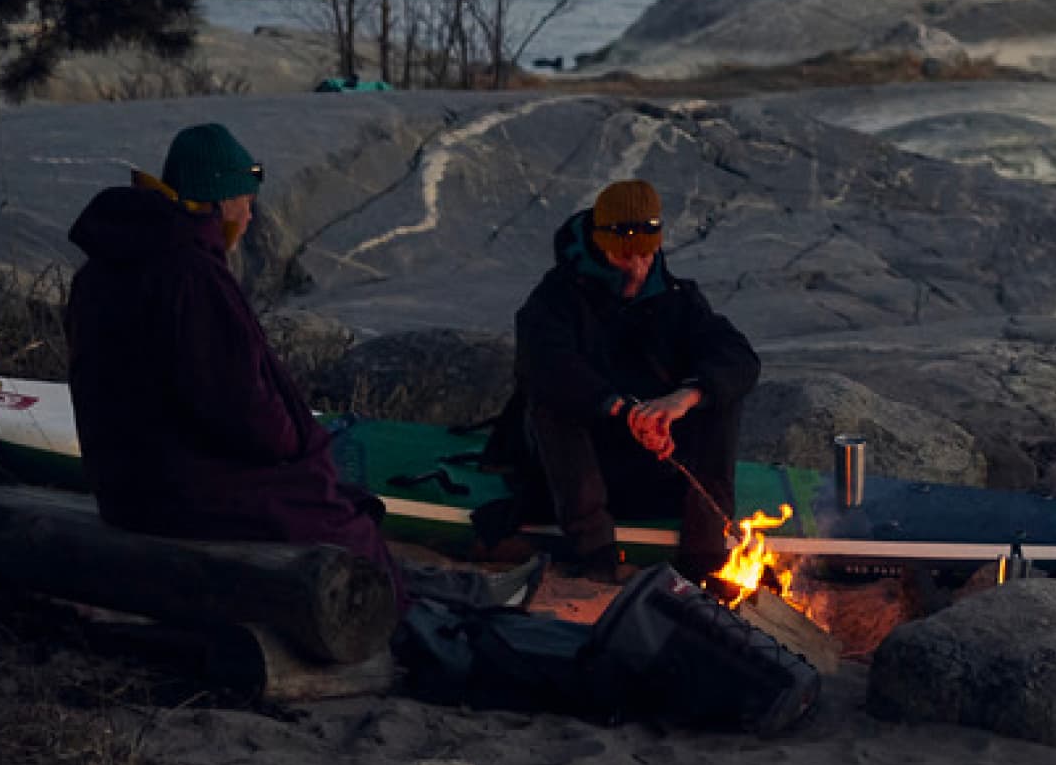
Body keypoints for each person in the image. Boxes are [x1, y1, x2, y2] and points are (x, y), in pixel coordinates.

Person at [61, 123, 403, 593]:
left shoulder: (102, 269)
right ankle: (401, 634)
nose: (250, 215)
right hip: (176, 495)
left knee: (338, 504)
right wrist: (301, 447)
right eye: (246, 199)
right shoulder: (188, 274)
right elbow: (241, 409)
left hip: (122, 485)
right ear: (220, 201)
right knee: (345, 529)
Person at [487, 177, 760, 580]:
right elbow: (546, 368)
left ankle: (705, 554)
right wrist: (622, 410)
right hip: (574, 473)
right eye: (624, 257)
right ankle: (595, 552)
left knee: (719, 394)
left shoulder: (675, 298)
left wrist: (683, 399)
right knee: (551, 404)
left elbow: (738, 356)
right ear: (599, 245)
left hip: (656, 464)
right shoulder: (555, 299)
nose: (636, 268)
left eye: (645, 256)